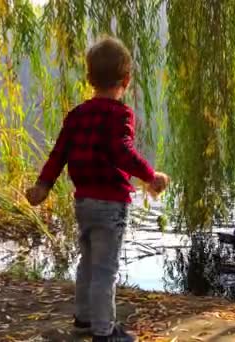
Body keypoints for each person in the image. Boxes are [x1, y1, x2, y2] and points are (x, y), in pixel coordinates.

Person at [25, 36, 169, 342]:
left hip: (84, 202)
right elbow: (122, 152)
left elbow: (58, 153)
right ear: (127, 80)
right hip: (110, 204)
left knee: (88, 262)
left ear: (89, 78)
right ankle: (104, 333)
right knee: (106, 269)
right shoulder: (119, 114)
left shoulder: (77, 115)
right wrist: (150, 175)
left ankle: (83, 319)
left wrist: (43, 185)